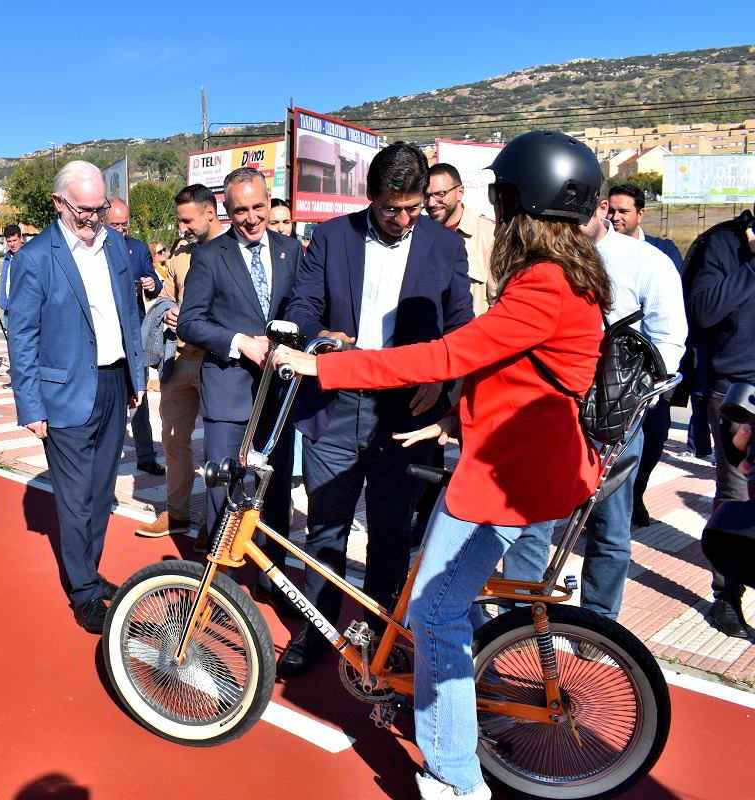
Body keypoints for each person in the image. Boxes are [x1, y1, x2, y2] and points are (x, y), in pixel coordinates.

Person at [273, 130, 611, 800]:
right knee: (435, 592)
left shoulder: (543, 285)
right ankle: (450, 698)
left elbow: (447, 354)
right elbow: (523, 370)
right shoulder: (569, 276)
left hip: (508, 475)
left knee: (436, 610)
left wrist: (322, 365)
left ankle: (457, 778)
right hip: (511, 457)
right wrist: (459, 414)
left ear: (522, 206)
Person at [279, 142, 473, 678]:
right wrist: (318, 336)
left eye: (414, 208)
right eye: (393, 209)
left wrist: (445, 380)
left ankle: (379, 632)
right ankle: (315, 628)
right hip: (335, 405)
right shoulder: (332, 237)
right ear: (372, 198)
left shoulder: (443, 245)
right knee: (326, 529)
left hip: (406, 411)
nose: (405, 219)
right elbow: (301, 303)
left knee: (390, 531)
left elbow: (461, 323)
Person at [506, 194, 686, 621]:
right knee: (532, 523)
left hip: (615, 420)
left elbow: (670, 338)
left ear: (601, 207)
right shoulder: (539, 258)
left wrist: (633, 397)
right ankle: (519, 621)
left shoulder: (647, 262)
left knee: (609, 527)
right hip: (548, 412)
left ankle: (599, 627)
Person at [6, 161, 147, 634]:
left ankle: (90, 569)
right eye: (85, 210)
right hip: (64, 392)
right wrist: (30, 404)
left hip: (113, 383)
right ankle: (83, 590)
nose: (94, 218)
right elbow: (22, 335)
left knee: (102, 491)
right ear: (59, 203)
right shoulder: (35, 258)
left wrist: (136, 375)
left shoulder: (115, 249)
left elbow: (128, 312)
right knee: (75, 496)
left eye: (100, 208)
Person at [178, 167, 302, 611]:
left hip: (279, 395)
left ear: (270, 203)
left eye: (258, 207)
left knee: (276, 489)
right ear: (226, 212)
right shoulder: (211, 257)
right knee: (224, 491)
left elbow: (306, 310)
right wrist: (239, 343)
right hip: (229, 393)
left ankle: (276, 578)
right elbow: (192, 322)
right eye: (240, 211)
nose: (251, 219)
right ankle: (214, 589)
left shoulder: (292, 251)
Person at [135, 184, 223, 539]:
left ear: (209, 213)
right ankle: (178, 514)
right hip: (180, 360)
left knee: (220, 446)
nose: (182, 228)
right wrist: (168, 308)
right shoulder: (181, 253)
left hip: (216, 361)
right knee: (173, 440)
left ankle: (216, 526)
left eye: (187, 220)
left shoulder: (231, 252)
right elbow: (167, 294)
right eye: (179, 221)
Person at [687, 202, 755, 636]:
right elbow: (705, 310)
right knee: (737, 492)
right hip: (739, 388)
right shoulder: (721, 243)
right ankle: (726, 596)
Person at [607, 183, 691, 526]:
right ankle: (615, 506)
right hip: (610, 379)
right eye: (611, 210)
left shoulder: (662, 252)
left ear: (640, 213)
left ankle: (636, 493)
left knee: (654, 438)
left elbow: (673, 316)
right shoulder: (596, 253)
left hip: (651, 373)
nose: (615, 218)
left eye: (623, 212)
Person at [106, 198, 165, 475]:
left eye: (124, 225)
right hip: (106, 336)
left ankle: (146, 455)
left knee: (140, 397)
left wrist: (153, 284)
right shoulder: (96, 248)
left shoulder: (138, 249)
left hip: (135, 333)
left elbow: (154, 283)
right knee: (111, 399)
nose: (121, 231)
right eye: (115, 225)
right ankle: (107, 457)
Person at [426, 163, 496, 316]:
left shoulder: (488, 234)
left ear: (459, 193)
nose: (431, 203)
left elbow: (497, 302)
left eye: (440, 194)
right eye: (427, 196)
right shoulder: (419, 233)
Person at [0, 223, 23, 319]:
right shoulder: (7, 258)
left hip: (23, 311)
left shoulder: (28, 256)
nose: (12, 244)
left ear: (21, 238)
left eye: (15, 240)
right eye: (9, 241)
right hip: (8, 309)